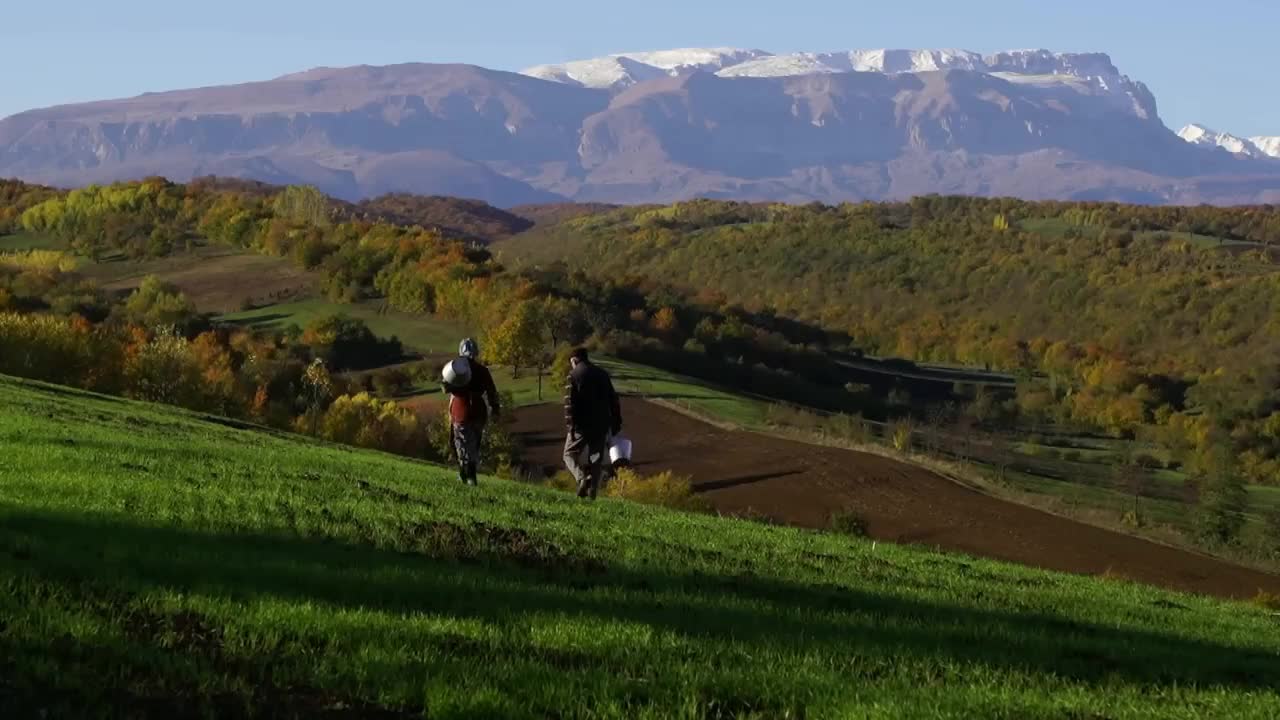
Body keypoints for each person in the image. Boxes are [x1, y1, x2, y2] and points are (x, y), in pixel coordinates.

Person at [562, 348, 622, 500]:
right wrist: (616, 422)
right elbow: (614, 400)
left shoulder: (573, 375)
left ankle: (581, 477)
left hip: (581, 426)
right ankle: (592, 493)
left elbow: (569, 405)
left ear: (574, 360)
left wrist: (571, 428)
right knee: (595, 459)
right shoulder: (602, 374)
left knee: (568, 454)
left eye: (571, 363)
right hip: (601, 425)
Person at [443, 338, 500, 486]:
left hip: (461, 410)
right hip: (479, 412)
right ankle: (467, 475)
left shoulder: (456, 370)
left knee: (461, 444)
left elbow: (446, 387)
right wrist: (495, 409)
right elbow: (492, 392)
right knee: (474, 445)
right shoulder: (483, 370)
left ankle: (469, 476)